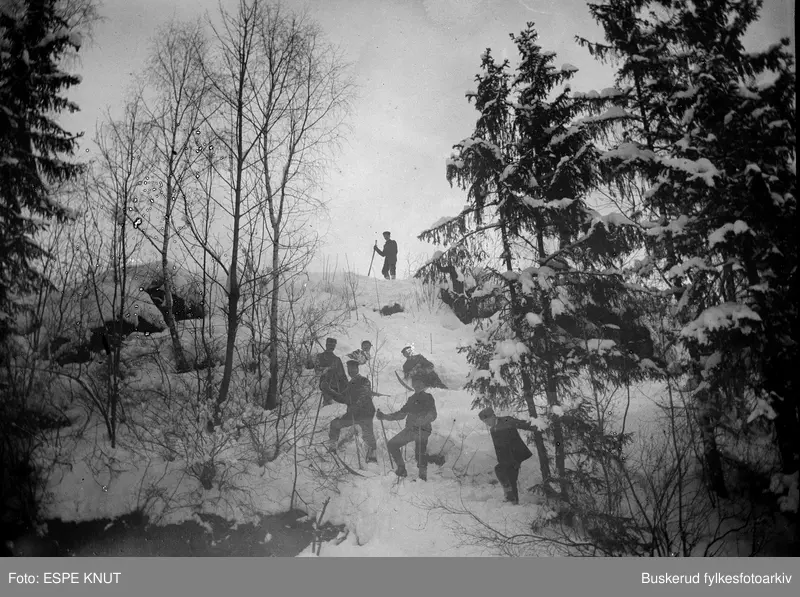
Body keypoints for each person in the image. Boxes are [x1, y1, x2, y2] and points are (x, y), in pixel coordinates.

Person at [377, 377, 437, 480]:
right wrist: (384, 416)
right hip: (410, 429)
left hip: (423, 430)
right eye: (415, 383)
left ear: (423, 385)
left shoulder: (428, 398)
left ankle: (422, 476)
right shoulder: (411, 399)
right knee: (392, 444)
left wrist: (423, 420)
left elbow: (433, 414)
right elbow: (401, 414)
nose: (417, 386)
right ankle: (401, 468)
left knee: (420, 453)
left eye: (419, 383)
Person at [478, 407, 536, 505]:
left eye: (487, 420)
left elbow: (522, 424)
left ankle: (510, 496)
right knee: (510, 477)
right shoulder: (493, 429)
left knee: (501, 471)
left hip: (516, 454)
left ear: (493, 416)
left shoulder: (506, 420)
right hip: (506, 458)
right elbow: (498, 448)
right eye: (484, 422)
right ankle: (513, 501)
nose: (486, 423)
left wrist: (535, 425)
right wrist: (501, 460)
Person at [328, 360, 378, 463]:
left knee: (368, 434)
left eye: (353, 368)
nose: (351, 371)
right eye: (349, 369)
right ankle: (332, 448)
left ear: (357, 369)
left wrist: (356, 405)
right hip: (353, 414)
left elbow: (364, 394)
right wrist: (329, 391)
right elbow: (342, 398)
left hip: (365, 413)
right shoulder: (349, 384)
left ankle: (372, 456)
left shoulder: (364, 381)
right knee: (335, 424)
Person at [306, 338, 348, 406]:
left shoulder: (336, 359)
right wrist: (327, 369)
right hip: (325, 385)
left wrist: (347, 387)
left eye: (333, 345)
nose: (331, 347)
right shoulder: (320, 356)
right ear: (326, 345)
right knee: (328, 406)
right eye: (330, 345)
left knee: (334, 407)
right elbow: (315, 370)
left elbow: (342, 375)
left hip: (336, 387)